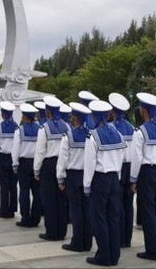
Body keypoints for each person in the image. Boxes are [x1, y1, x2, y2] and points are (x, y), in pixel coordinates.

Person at [130, 93, 156, 261]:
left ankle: (153, 250)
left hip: (147, 172)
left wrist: (133, 179)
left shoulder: (140, 131)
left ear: (143, 110)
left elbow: (137, 158)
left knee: (148, 212)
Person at [84, 99, 126, 267]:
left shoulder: (93, 136)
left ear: (95, 116)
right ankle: (114, 256)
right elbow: (122, 158)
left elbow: (89, 163)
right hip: (114, 178)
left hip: (100, 179)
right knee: (113, 218)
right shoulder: (118, 134)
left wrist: (87, 186)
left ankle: (103, 256)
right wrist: (117, 176)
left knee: (99, 218)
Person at [57, 103, 92, 253]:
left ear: (74, 118)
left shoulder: (68, 136)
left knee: (75, 210)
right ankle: (87, 242)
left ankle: (77, 242)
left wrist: (60, 178)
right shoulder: (92, 135)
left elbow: (63, 159)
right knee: (87, 209)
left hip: (73, 175)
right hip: (88, 174)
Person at [34, 96, 69, 241]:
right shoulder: (66, 126)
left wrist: (36, 170)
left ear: (47, 111)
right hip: (63, 163)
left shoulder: (44, 128)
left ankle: (52, 232)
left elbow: (40, 151)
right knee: (62, 200)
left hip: (48, 165)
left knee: (49, 200)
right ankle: (61, 231)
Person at [108, 93, 135, 248]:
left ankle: (119, 238)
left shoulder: (111, 128)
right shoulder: (131, 127)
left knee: (116, 205)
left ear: (112, 111)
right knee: (128, 204)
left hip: (118, 167)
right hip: (130, 167)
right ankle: (127, 239)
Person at [13, 103, 43, 228]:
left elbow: (16, 149)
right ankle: (36, 218)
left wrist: (15, 164)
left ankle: (25, 218)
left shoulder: (19, 130)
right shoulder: (40, 129)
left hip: (24, 163)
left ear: (25, 116)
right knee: (37, 192)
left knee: (24, 191)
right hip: (37, 163)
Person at [0, 101, 19, 219]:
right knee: (13, 185)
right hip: (14, 158)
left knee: (4, 185)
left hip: (3, 158)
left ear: (3, 114)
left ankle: (4, 210)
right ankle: (12, 209)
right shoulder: (17, 126)